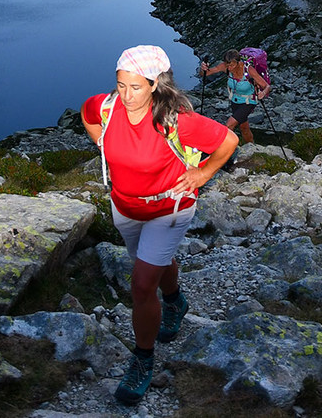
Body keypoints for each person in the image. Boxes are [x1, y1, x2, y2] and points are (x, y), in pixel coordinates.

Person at [83, 45, 238, 406]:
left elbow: (229, 140)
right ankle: (174, 301)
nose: (126, 95)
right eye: (121, 85)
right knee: (153, 263)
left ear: (154, 84)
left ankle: (143, 359)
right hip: (125, 207)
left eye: (136, 87)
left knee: (140, 285)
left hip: (168, 209)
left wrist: (202, 174)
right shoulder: (106, 107)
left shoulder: (175, 120)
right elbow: (87, 114)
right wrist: (103, 143)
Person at [199, 49, 271, 145]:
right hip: (235, 101)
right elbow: (205, 74)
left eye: (232, 65)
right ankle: (251, 146)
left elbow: (266, 86)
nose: (229, 68)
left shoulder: (248, 70)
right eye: (227, 65)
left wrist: (263, 93)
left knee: (229, 125)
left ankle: (223, 148)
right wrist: (203, 69)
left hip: (248, 102)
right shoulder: (225, 66)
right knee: (244, 127)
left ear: (239, 62)